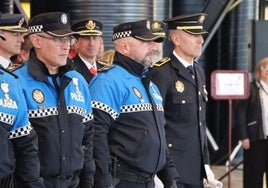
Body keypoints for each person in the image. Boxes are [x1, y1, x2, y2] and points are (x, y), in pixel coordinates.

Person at [89, 19, 179, 188]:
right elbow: (96, 136)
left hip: (148, 182)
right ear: (124, 47)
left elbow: (159, 135)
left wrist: (169, 176)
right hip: (122, 181)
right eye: (146, 42)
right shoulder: (108, 81)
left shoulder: (148, 82)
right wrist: (104, 182)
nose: (153, 47)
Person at [13, 12, 95, 188]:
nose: (66, 46)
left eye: (68, 40)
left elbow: (87, 139)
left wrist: (88, 182)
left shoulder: (78, 81)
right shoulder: (17, 83)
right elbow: (15, 147)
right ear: (36, 41)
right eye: (58, 40)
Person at [149, 13, 215, 188]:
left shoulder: (198, 71)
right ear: (176, 39)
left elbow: (200, 123)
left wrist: (206, 164)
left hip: (195, 168)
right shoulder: (161, 73)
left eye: (201, 35)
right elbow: (155, 125)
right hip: (172, 169)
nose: (200, 40)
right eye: (194, 35)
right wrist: (158, 172)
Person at [0, 13, 44, 188]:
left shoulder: (11, 79)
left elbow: (24, 139)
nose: (21, 38)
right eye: (15, 33)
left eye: (21, 33)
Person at [237, 57, 268, 188]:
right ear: (258, 71)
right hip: (255, 139)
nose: (267, 71)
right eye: (264, 68)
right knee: (254, 176)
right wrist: (244, 136)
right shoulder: (250, 88)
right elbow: (240, 114)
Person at [71, 18, 108, 83]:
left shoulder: (105, 68)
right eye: (86, 38)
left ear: (100, 41)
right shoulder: (70, 68)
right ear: (76, 43)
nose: (91, 43)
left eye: (95, 38)